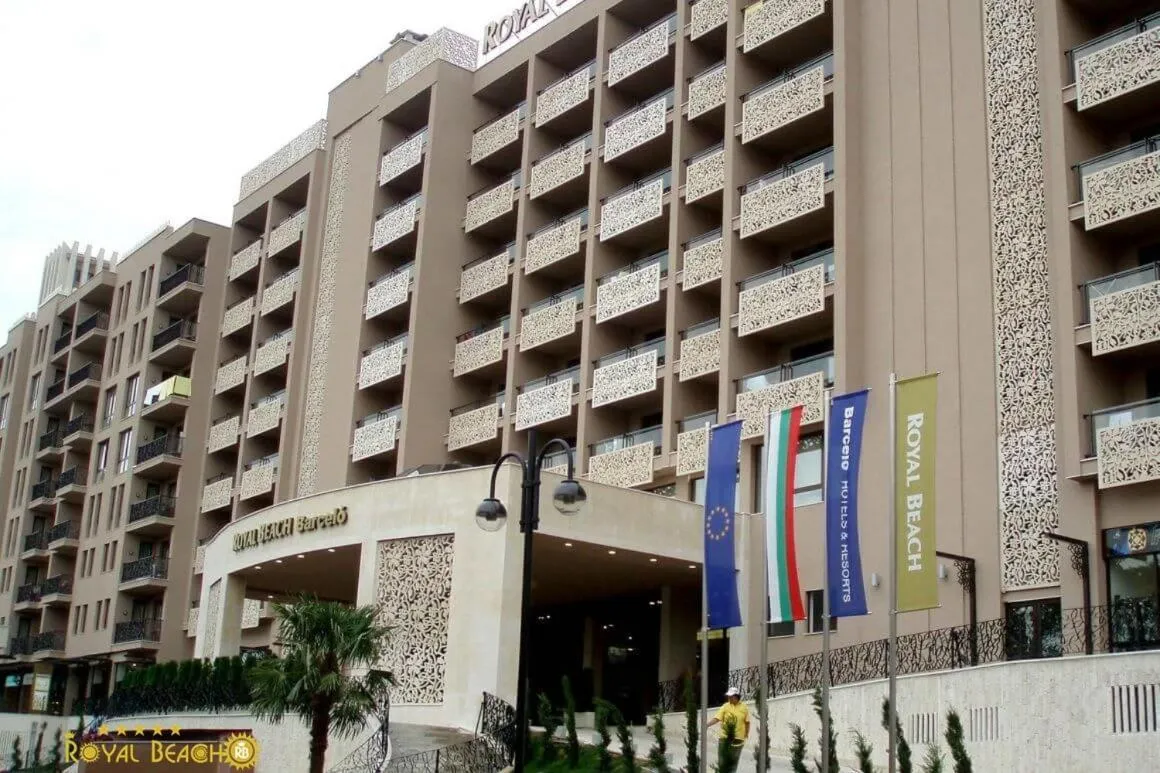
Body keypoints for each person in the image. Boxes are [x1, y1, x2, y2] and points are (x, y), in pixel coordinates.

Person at [706, 686, 749, 751]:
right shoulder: (725, 706)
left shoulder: (744, 707)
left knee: (734, 757)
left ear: (736, 696)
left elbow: (747, 722)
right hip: (724, 738)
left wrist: (746, 734)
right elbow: (717, 718)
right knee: (722, 757)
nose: (729, 698)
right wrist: (707, 725)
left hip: (738, 739)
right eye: (728, 696)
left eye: (731, 696)